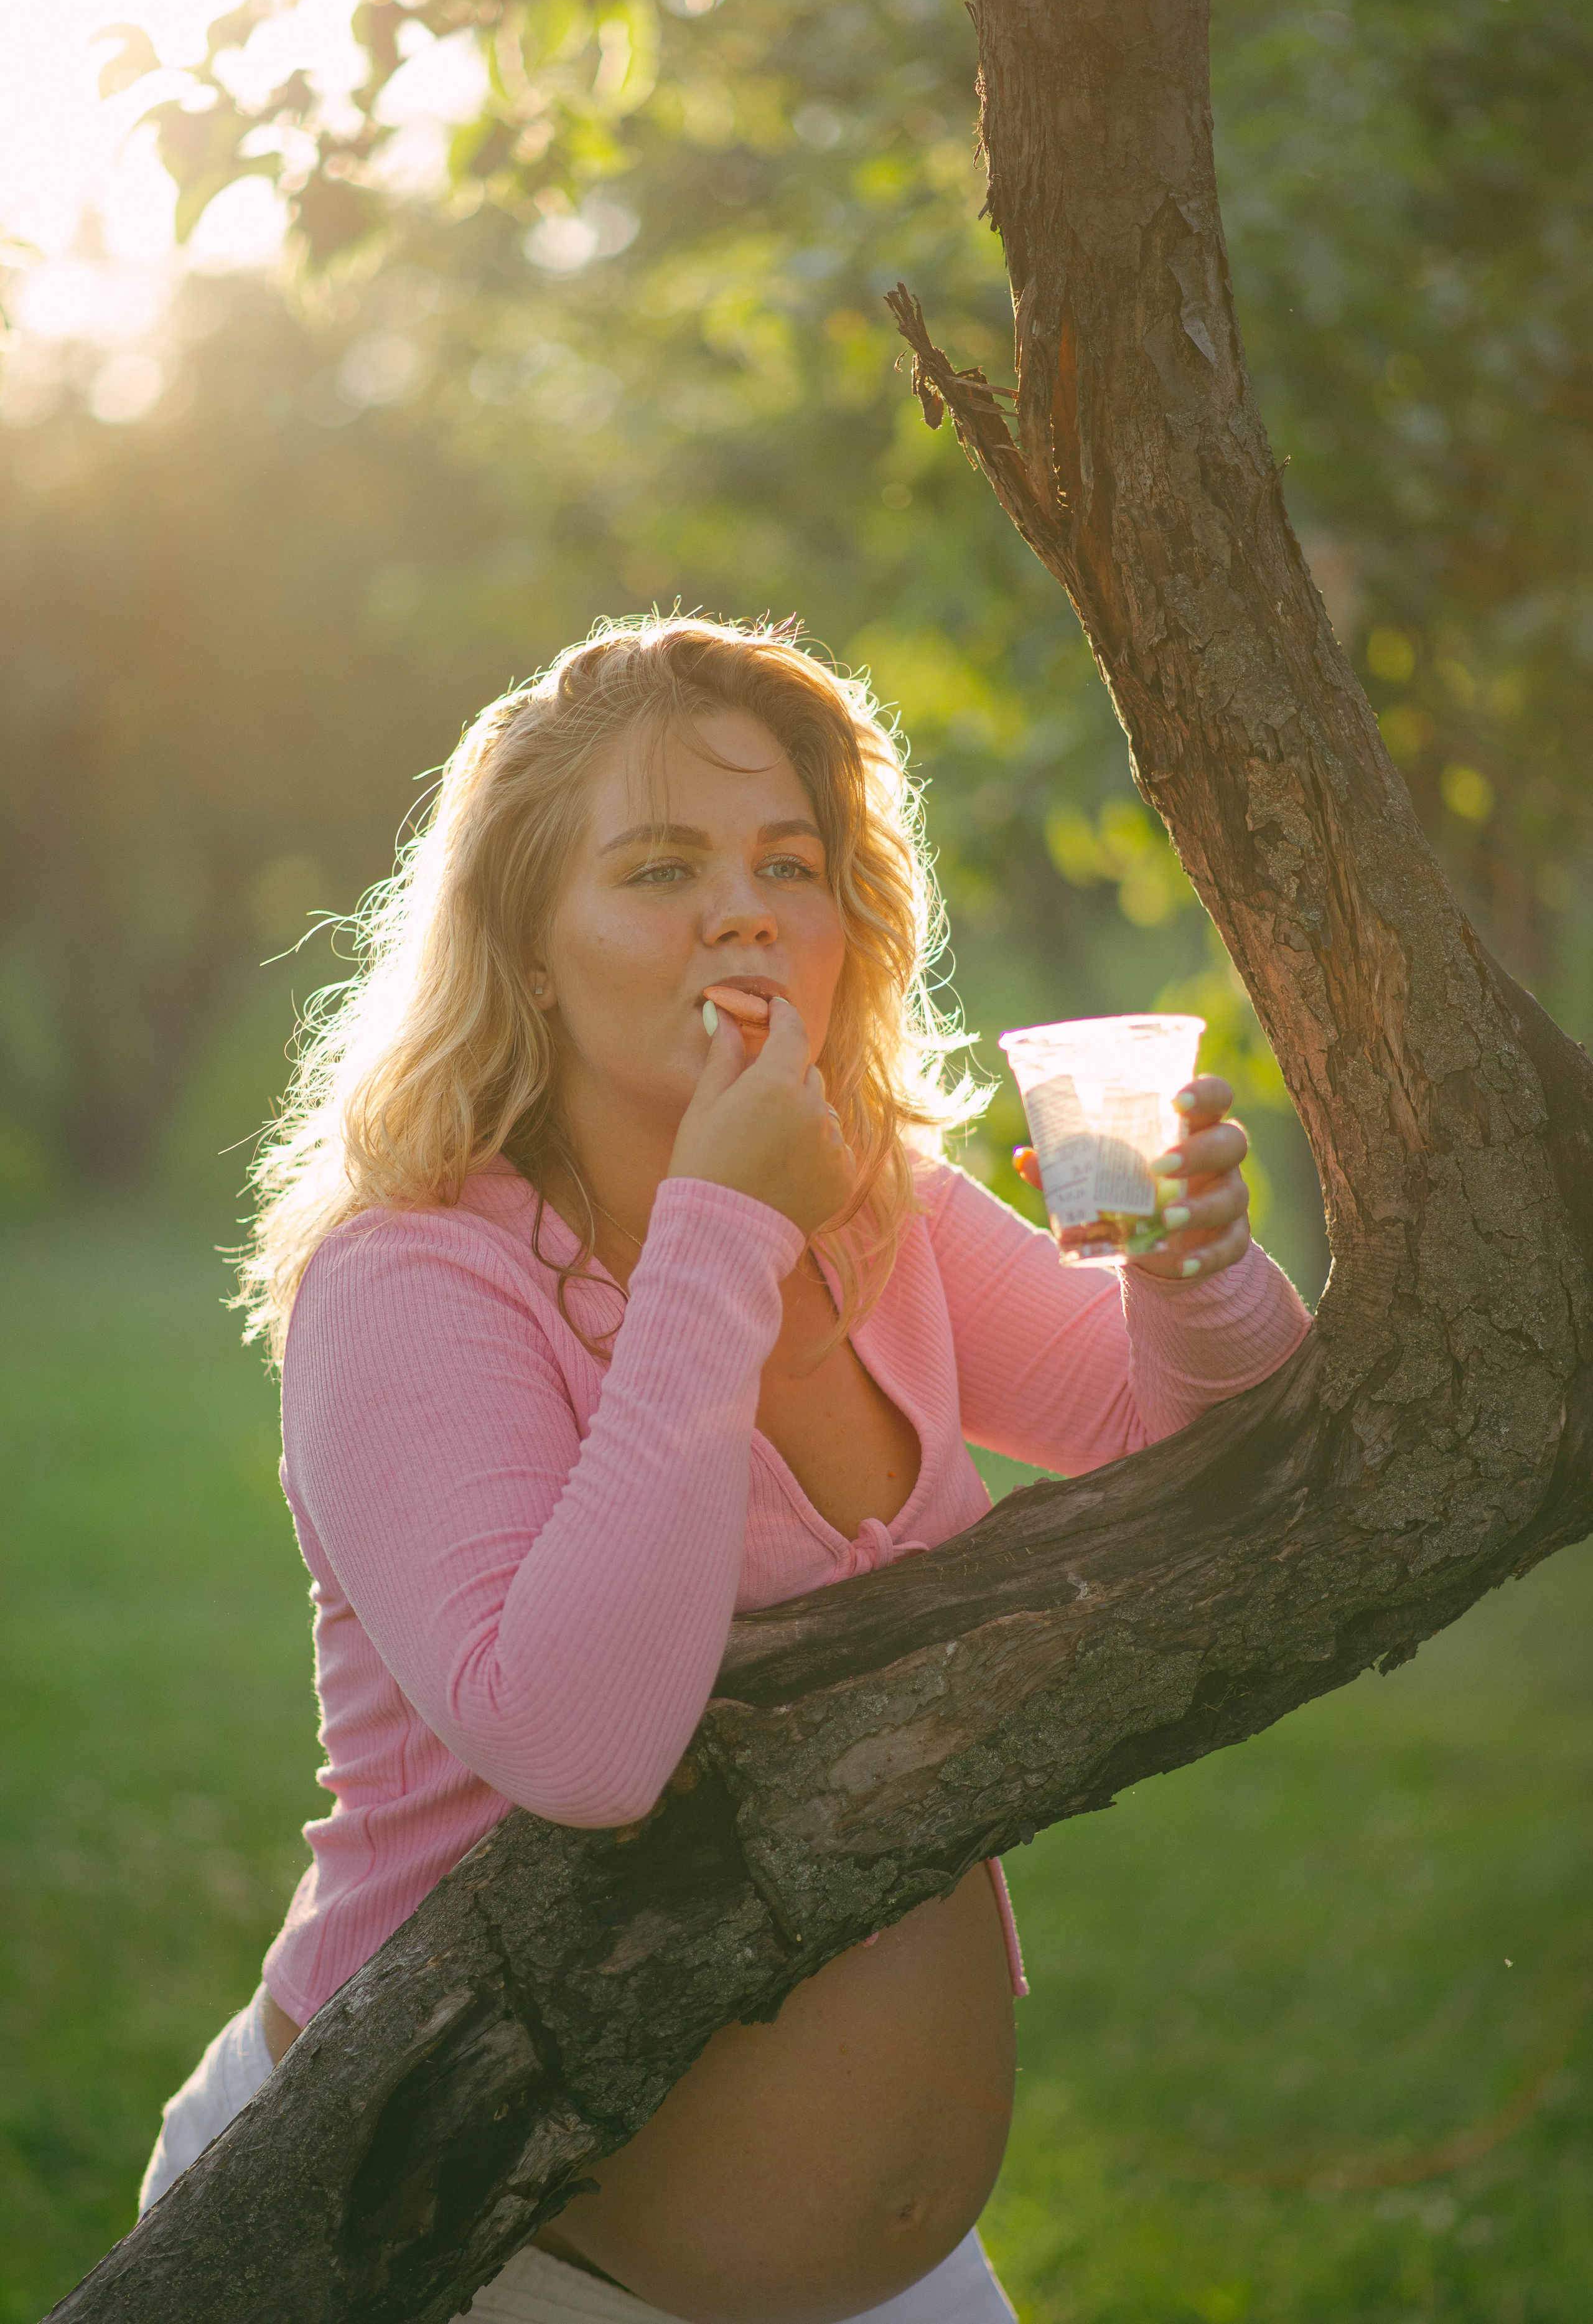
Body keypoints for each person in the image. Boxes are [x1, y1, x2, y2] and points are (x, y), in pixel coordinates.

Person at [138, 617, 1312, 2322]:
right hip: (457, 2239)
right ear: (531, 946)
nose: (745, 908)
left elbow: (1222, 1457)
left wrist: (1190, 1264)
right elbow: (583, 1744)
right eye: (659, 865)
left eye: (790, 863)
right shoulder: (410, 1279)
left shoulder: (882, 1208)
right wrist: (722, 1221)